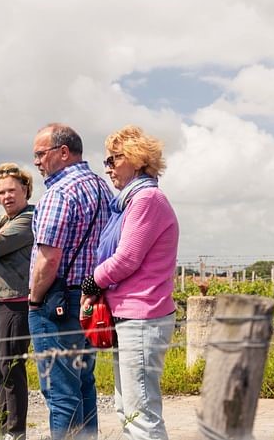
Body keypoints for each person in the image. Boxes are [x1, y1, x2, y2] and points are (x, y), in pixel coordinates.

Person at [81, 125, 179, 440]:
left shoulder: (146, 199)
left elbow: (127, 258)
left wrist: (91, 282)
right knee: (128, 410)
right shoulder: (130, 201)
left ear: (136, 160)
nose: (107, 166)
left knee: (141, 414)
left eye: (114, 159)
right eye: (107, 160)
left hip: (142, 317)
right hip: (131, 315)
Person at [28, 123, 112, 440]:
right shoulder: (103, 188)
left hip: (58, 302)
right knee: (83, 381)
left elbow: (49, 258)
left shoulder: (59, 193)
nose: (36, 161)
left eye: (40, 153)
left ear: (63, 153)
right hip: (93, 299)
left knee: (60, 390)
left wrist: (35, 300)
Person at [0, 162, 35, 440]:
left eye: (12, 190)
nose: (7, 196)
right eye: (2, 192)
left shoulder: (28, 219)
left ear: (25, 190)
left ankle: (15, 433)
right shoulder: (0, 221)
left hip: (15, 301)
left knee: (11, 367)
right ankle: (5, 428)